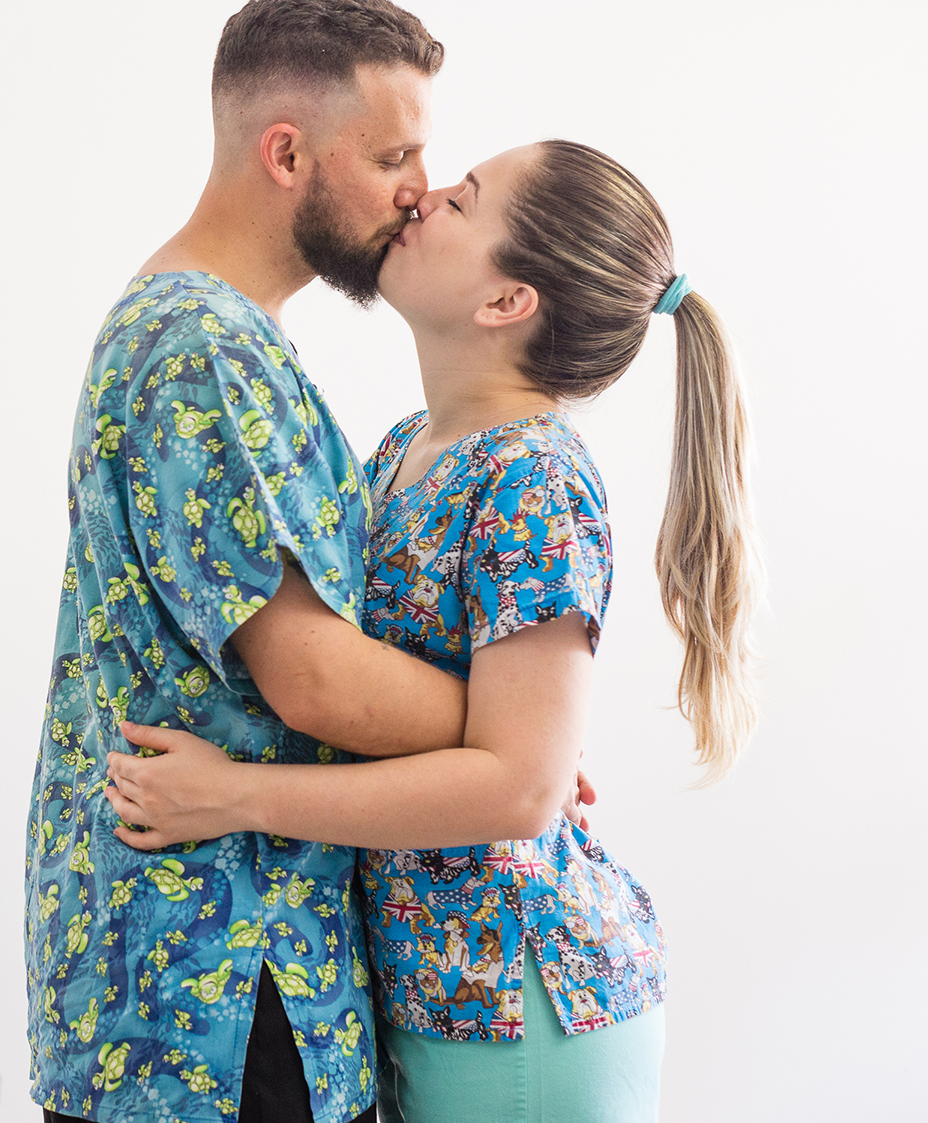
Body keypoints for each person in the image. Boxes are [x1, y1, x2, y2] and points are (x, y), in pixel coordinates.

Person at [102, 140, 761, 1123]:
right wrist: (503, 737)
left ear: (507, 301)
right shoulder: (405, 449)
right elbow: (486, 743)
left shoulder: (535, 477)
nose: (423, 196)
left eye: (463, 199)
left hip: (520, 1006)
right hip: (431, 998)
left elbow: (520, 791)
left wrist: (234, 797)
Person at [27, 0, 480, 1123]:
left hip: (207, 975)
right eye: (394, 157)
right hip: (219, 990)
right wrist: (515, 738)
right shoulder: (202, 350)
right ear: (287, 153)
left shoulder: (215, 330)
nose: (420, 191)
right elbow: (314, 678)